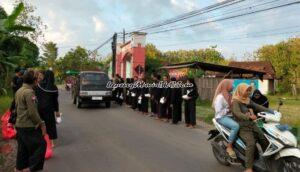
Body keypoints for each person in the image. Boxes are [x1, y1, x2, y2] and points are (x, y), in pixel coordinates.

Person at [232, 83, 273, 172]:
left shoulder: (247, 100)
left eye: (249, 90)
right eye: (247, 90)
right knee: (251, 143)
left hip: (252, 124)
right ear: (241, 91)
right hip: (243, 126)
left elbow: (257, 106)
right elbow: (237, 113)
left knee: (263, 138)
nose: (249, 92)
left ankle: (268, 158)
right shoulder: (236, 101)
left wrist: (271, 111)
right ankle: (248, 168)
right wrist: (248, 117)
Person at [15, 69, 47, 172]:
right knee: (41, 145)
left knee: (22, 149)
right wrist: (41, 124)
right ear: (34, 80)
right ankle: (30, 168)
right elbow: (33, 112)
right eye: (37, 79)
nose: (38, 81)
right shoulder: (29, 92)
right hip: (28, 126)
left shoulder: (19, 90)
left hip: (19, 125)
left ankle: (19, 168)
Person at [212, 79, 239, 159]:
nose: (233, 86)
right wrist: (228, 110)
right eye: (231, 84)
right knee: (235, 126)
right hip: (221, 117)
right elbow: (218, 111)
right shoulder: (220, 97)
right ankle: (229, 146)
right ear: (226, 86)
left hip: (229, 116)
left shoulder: (229, 95)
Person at [35, 70, 60, 148]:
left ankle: (40, 141)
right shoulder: (54, 88)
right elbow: (55, 101)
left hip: (40, 108)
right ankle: (51, 143)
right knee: (50, 125)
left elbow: (36, 97)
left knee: (41, 124)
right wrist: (57, 111)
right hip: (49, 109)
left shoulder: (39, 85)